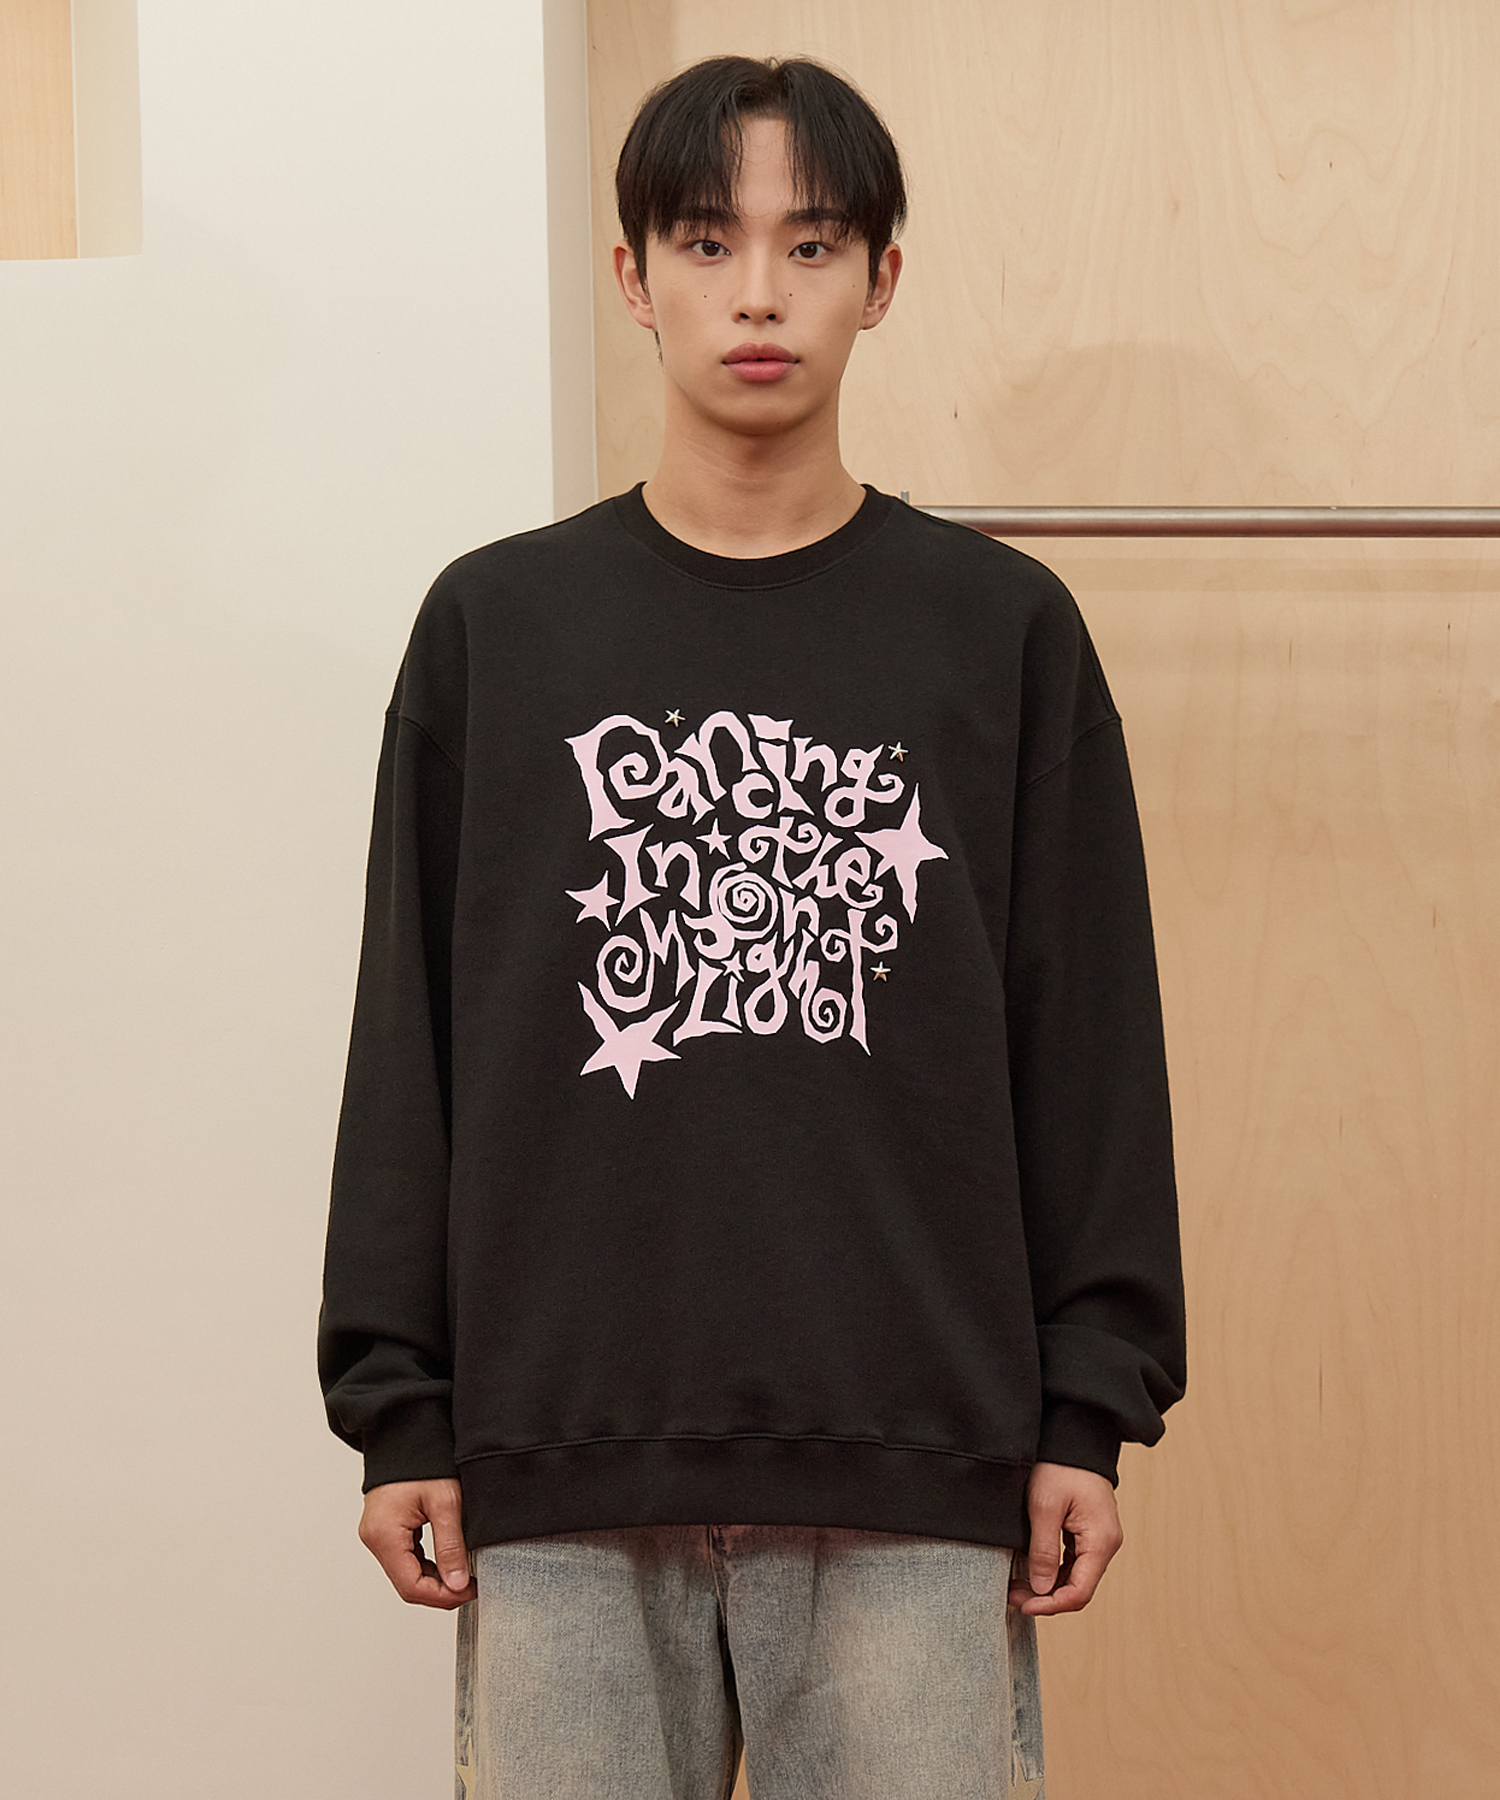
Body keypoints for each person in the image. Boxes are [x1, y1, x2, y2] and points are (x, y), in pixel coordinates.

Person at [319, 52, 1186, 1800]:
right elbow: (409, 1035)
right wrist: (398, 1401)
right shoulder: (498, 628)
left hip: (914, 1450)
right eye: (709, 242)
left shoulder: (999, 630)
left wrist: (1089, 1402)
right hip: (562, 1452)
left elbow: (1086, 1037)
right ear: (634, 275)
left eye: (813, 243)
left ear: (882, 275)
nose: (762, 294)